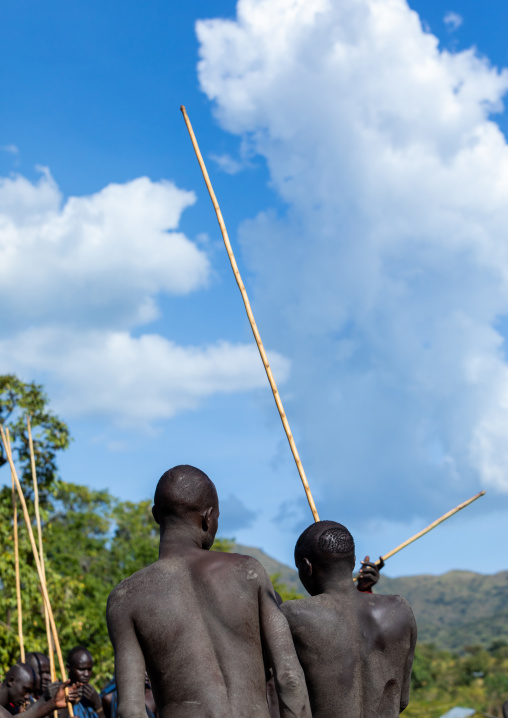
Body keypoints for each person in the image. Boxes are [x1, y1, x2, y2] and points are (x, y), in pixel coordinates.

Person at [107, 464, 311, 718]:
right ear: (208, 517)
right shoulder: (248, 572)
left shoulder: (127, 598)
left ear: (156, 515)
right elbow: (289, 676)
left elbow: (130, 710)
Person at [281, 520, 417, 718]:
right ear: (354, 561)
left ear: (306, 566)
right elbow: (401, 701)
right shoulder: (401, 609)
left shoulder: (293, 614)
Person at [0, 664, 69, 718]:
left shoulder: (11, 710)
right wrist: (51, 703)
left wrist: (53, 703)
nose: (27, 697)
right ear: (11, 681)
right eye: (26, 690)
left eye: (30, 692)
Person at [60, 647, 101, 718]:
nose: (86, 674)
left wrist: (98, 705)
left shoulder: (92, 696)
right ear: (68, 668)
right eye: (81, 669)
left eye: (89, 669)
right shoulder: (60, 694)